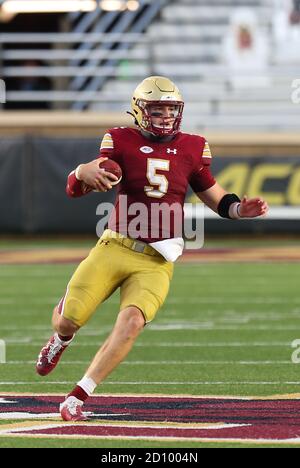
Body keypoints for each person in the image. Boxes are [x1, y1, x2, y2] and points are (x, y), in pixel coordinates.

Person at [36, 76, 268, 421]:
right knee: (69, 320)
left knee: (131, 323)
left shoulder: (193, 146)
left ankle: (79, 395)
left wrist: (238, 210)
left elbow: (217, 198)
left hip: (157, 259)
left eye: (170, 110)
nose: (164, 117)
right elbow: (76, 187)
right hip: (115, 245)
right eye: (156, 110)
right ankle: (60, 339)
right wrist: (84, 171)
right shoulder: (119, 139)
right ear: (139, 110)